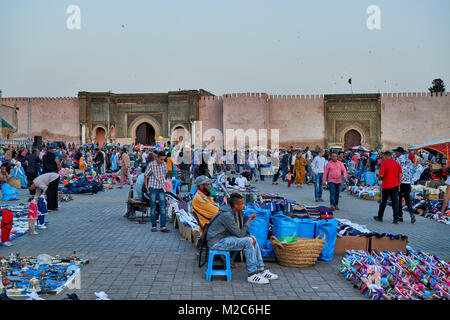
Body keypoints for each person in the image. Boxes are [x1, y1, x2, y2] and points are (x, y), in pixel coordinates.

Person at [206, 193, 279, 284]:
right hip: (216, 242)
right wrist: (249, 220)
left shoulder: (229, 211)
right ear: (236, 205)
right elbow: (240, 234)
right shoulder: (227, 215)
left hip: (221, 238)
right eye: (242, 204)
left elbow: (238, 233)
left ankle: (261, 270)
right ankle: (252, 274)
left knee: (252, 238)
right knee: (248, 241)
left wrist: (249, 236)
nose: (244, 205)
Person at [144, 151, 169, 232]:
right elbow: (145, 175)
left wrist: (163, 182)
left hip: (161, 188)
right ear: (157, 158)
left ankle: (163, 226)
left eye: (163, 159)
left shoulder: (164, 165)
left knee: (162, 207)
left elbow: (165, 174)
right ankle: (154, 225)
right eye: (161, 159)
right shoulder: (151, 165)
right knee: (153, 207)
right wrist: (147, 187)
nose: (162, 161)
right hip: (153, 188)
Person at [374, 151, 402, 224]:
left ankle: (380, 217)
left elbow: (382, 175)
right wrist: (399, 185)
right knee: (395, 202)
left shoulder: (384, 163)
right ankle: (395, 219)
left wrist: (379, 177)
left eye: (383, 156)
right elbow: (400, 175)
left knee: (383, 202)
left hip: (386, 186)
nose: (382, 158)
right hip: (395, 185)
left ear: (386, 156)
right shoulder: (397, 163)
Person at [394, 147, 416, 224]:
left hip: (400, 182)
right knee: (407, 199)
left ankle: (400, 216)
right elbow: (412, 171)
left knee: (399, 199)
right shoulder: (409, 161)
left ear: (400, 152)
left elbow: (396, 171)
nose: (395, 153)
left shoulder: (398, 160)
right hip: (407, 183)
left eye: (396, 152)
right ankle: (412, 213)